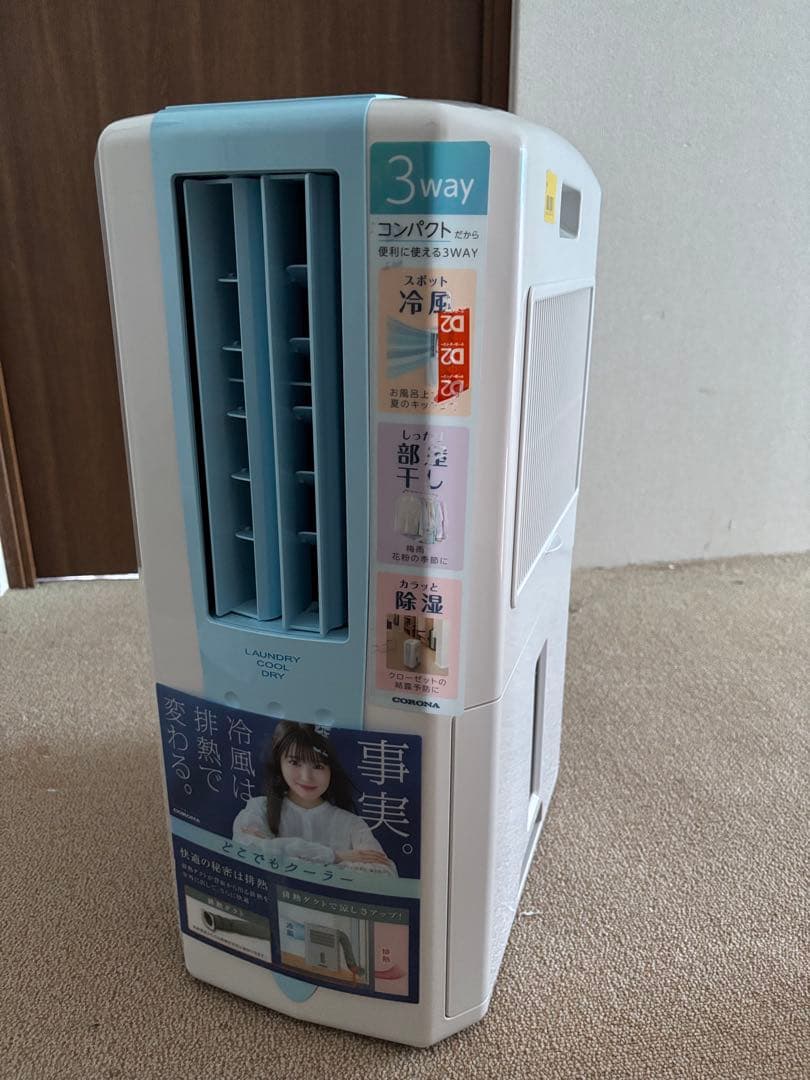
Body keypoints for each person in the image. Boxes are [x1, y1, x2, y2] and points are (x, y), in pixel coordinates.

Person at [232, 721, 395, 875]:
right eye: (294, 762)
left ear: (331, 770)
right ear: (279, 762)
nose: (306, 777)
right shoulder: (259, 808)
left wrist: (276, 849)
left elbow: (384, 875)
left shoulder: (352, 824)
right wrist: (336, 856)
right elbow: (245, 850)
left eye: (318, 766)